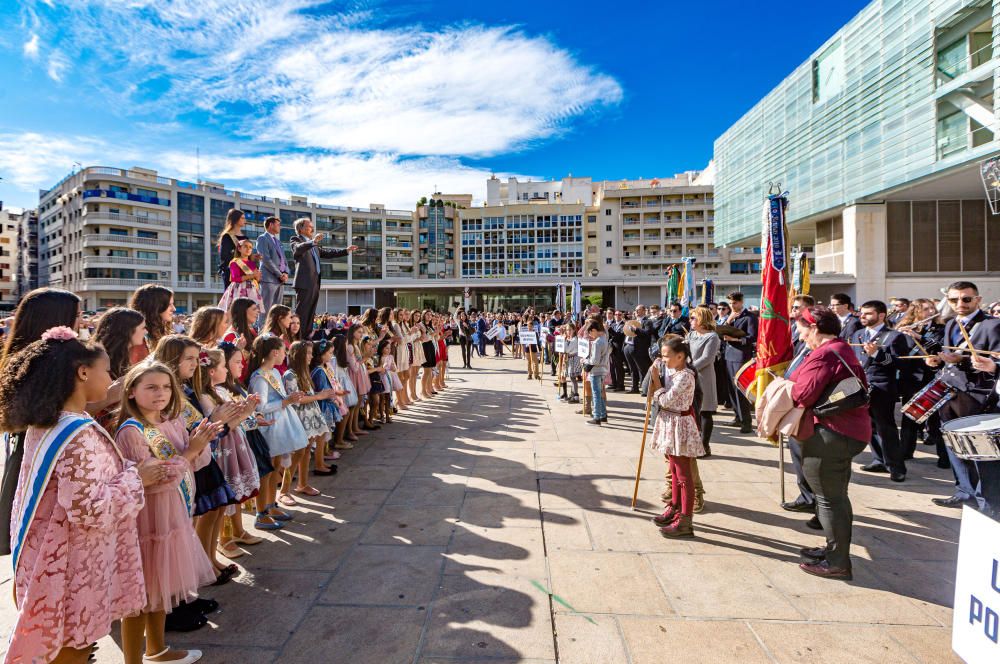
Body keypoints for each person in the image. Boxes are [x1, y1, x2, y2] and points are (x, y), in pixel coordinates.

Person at [0, 327, 159, 664]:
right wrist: (136, 479)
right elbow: (89, 509)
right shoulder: (76, 434)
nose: (112, 378)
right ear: (83, 372)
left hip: (56, 556)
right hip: (74, 567)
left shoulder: (52, 421)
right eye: (106, 370)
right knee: (73, 645)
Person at [115, 362, 223, 661]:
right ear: (132, 392)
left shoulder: (169, 421)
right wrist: (190, 450)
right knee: (142, 595)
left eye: (165, 387)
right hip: (148, 518)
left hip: (173, 513)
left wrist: (201, 443)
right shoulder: (131, 431)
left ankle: (157, 648)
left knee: (163, 586)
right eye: (151, 387)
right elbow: (156, 480)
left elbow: (194, 465)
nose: (160, 393)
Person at [788, 305, 871, 581]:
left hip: (831, 434)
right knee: (834, 497)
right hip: (847, 431)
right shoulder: (840, 348)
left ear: (814, 328)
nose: (800, 338)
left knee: (828, 500)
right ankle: (833, 551)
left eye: (802, 331)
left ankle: (837, 562)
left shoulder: (823, 354)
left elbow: (802, 393)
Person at [0, 287, 84, 557]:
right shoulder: (47, 360)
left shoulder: (22, 356)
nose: (80, 322)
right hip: (43, 454)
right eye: (77, 315)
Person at [927, 281, 1000, 508]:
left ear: (977, 300)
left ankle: (986, 503)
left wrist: (991, 366)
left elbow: (996, 360)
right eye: (954, 299)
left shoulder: (992, 325)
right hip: (951, 393)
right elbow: (951, 358)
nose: (960, 304)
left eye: (966, 299)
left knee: (981, 454)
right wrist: (936, 362)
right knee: (954, 446)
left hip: (980, 397)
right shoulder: (951, 324)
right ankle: (964, 490)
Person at [648, 336, 705, 538]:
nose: (663, 359)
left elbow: (665, 400)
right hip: (670, 424)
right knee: (673, 470)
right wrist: (657, 365)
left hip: (679, 426)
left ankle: (685, 520)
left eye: (667, 356)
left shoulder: (686, 376)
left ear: (680, 356)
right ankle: (674, 507)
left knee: (683, 475)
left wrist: (656, 382)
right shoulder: (675, 370)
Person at [850, 300, 908, 482]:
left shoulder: (894, 336)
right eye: (862, 313)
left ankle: (897, 467)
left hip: (882, 387)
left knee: (886, 428)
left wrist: (877, 354)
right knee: (869, 426)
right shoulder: (858, 334)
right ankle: (878, 459)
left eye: (867, 313)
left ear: (881, 315)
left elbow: (901, 363)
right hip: (861, 386)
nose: (862, 316)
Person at [896, 299, 946, 466]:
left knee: (935, 419)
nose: (931, 312)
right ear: (916, 311)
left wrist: (919, 336)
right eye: (926, 309)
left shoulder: (939, 328)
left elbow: (939, 346)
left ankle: (943, 457)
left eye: (932, 308)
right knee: (910, 415)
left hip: (931, 377)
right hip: (911, 378)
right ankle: (905, 452)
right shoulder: (904, 327)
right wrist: (901, 334)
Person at [290, 218, 357, 339]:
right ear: (301, 229)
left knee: (311, 313)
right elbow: (297, 249)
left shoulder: (314, 245)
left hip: (315, 283)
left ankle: (306, 338)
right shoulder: (297, 240)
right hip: (304, 283)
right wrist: (313, 241)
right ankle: (297, 339)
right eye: (310, 226)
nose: (313, 229)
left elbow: (328, 253)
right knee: (302, 313)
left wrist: (345, 251)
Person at [721, 292, 757, 434]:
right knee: (731, 388)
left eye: (735, 303)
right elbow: (721, 330)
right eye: (730, 303)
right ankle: (737, 417)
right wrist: (728, 320)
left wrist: (735, 340)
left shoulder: (750, 317)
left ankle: (746, 422)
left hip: (741, 356)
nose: (732, 306)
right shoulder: (730, 316)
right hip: (729, 355)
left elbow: (752, 337)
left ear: (741, 302)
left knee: (740, 390)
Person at [687, 306, 720, 456]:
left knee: (705, 411)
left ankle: (704, 445)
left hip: (704, 377)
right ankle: (694, 443)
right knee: (693, 410)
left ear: (702, 319)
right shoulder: (692, 334)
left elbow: (708, 358)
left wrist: (690, 368)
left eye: (693, 318)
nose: (690, 320)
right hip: (689, 375)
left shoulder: (712, 337)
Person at [130, 284, 176, 364]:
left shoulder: (158, 332)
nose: (174, 309)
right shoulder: (138, 337)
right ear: (156, 306)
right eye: (169, 304)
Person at [255, 216, 289, 324]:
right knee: (265, 311)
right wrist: (279, 274)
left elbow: (284, 260)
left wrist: (286, 273)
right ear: (270, 225)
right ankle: (262, 337)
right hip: (269, 279)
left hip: (280, 281)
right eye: (278, 224)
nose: (280, 227)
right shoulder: (262, 238)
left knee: (277, 311)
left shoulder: (278, 242)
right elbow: (265, 259)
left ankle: (273, 335)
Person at [218, 239, 263, 314]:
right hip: (238, 289)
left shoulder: (252, 263)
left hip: (251, 290)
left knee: (250, 311)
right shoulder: (234, 262)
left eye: (250, 247)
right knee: (239, 311)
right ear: (239, 249)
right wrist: (252, 275)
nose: (248, 249)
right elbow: (235, 278)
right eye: (245, 246)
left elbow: (257, 279)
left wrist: (258, 276)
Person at [584, 317, 609, 426]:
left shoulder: (597, 342)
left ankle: (597, 417)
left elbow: (594, 360)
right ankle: (603, 415)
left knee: (596, 394)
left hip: (596, 370)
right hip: (603, 369)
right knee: (599, 393)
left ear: (594, 330)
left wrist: (585, 360)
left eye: (590, 333)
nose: (590, 336)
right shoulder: (604, 339)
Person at [623, 305, 653, 394]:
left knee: (642, 369)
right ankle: (634, 387)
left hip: (639, 348)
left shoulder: (647, 321)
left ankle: (644, 389)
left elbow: (647, 333)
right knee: (632, 369)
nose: (636, 311)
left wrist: (636, 329)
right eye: (635, 310)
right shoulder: (632, 321)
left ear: (644, 311)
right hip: (628, 346)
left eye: (638, 310)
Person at [217, 209, 246, 290]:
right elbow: (224, 256)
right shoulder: (227, 237)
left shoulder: (245, 238)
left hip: (245, 273)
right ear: (235, 219)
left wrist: (254, 257)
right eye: (242, 218)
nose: (245, 220)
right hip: (232, 273)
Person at [607, 310, 627, 391]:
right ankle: (614, 383)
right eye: (616, 314)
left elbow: (619, 336)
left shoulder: (624, 325)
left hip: (619, 348)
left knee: (619, 367)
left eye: (619, 315)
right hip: (612, 348)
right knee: (612, 367)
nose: (617, 316)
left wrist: (610, 330)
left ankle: (620, 385)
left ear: (622, 316)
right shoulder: (613, 324)